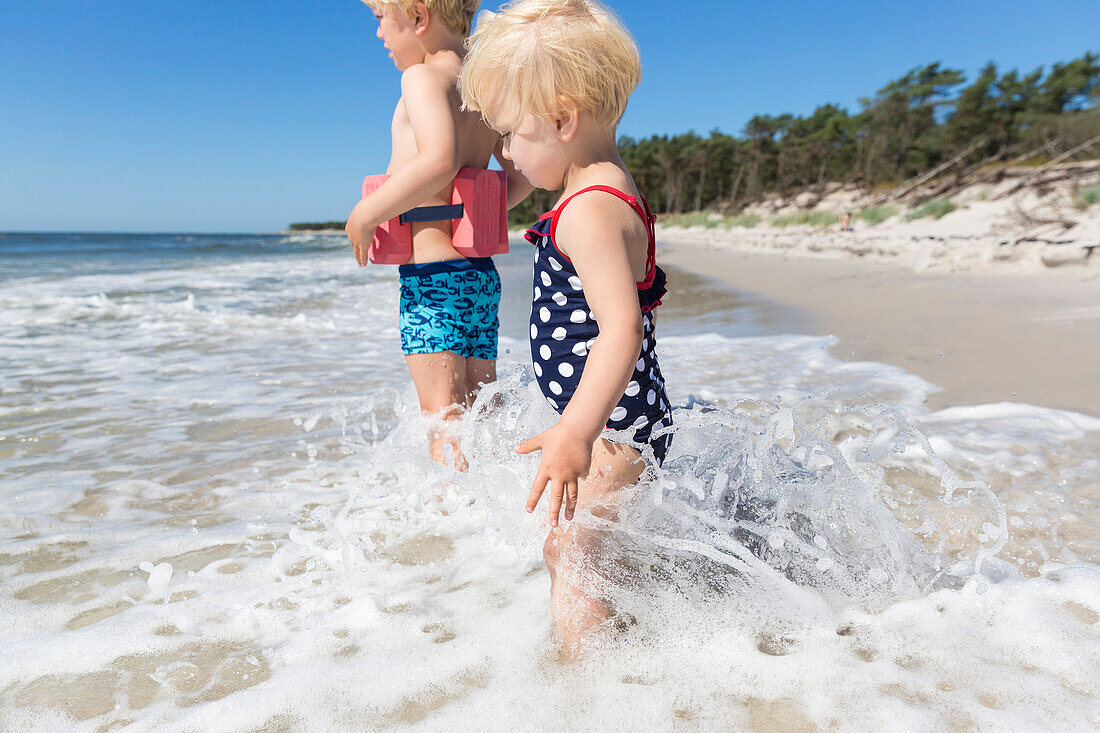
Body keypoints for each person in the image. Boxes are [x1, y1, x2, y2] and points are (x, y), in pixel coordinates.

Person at [460, 0, 673, 654]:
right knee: (593, 548)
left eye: (509, 136)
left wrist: (577, 430)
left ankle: (586, 683)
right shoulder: (597, 185)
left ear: (562, 118)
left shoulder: (588, 211)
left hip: (609, 428)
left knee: (573, 552)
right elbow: (534, 173)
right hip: (619, 419)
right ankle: (633, 631)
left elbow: (621, 329)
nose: (504, 152)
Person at [345, 0, 528, 469]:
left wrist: (366, 214)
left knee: (443, 419)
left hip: (432, 280)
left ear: (419, 17)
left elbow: (439, 159)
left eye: (381, 19)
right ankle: (496, 506)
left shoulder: (422, 78)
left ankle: (451, 528)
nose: (380, 34)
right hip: (479, 277)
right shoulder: (482, 89)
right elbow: (522, 175)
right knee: (481, 409)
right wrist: (477, 208)